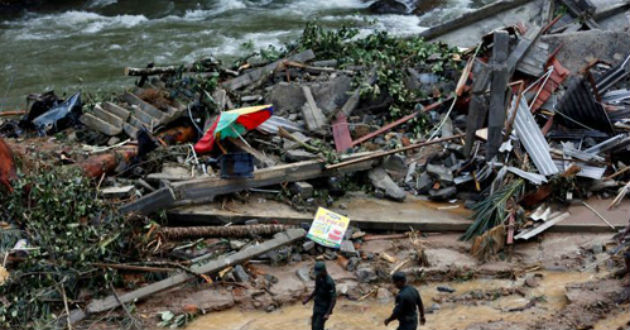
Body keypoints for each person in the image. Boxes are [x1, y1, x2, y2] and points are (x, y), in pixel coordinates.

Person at [302, 261, 336, 330]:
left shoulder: (329, 282)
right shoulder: (318, 277)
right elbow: (316, 290)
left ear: (324, 271)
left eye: (319, 273)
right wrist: (308, 299)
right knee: (314, 326)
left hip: (324, 308)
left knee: (318, 327)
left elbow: (333, 299)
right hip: (317, 305)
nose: (317, 274)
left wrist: (328, 313)